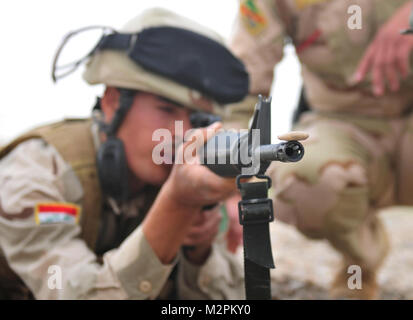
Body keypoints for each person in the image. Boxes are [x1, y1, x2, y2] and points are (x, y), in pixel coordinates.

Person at [0, 8, 250, 299]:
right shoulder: (40, 173)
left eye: (197, 120)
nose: (183, 132)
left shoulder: (186, 178)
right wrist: (177, 204)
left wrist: (199, 254)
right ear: (112, 101)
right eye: (166, 109)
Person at [229, 0, 413, 299]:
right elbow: (242, 83)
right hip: (343, 123)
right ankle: (361, 263)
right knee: (301, 181)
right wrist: (227, 179)